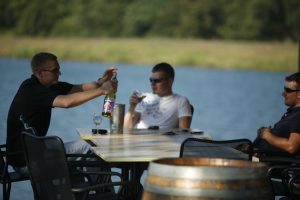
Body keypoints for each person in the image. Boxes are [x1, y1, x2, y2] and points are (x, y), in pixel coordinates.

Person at [6, 52, 117, 174]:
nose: (59, 73)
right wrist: (102, 90)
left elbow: (80, 88)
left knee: (83, 154)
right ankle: (102, 191)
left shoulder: (48, 86)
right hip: (28, 161)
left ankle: (84, 192)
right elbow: (66, 102)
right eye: (55, 70)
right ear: (40, 73)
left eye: (58, 69)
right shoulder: (32, 90)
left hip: (36, 154)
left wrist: (101, 81)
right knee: (90, 146)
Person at [124, 62, 192, 130]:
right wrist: (132, 107)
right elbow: (126, 129)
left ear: (170, 81)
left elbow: (183, 133)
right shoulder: (143, 98)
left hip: (163, 140)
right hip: (140, 139)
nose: (152, 84)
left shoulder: (181, 101)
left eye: (157, 81)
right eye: (151, 80)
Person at [253, 72, 300, 156]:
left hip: (265, 162)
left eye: (288, 90)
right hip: (256, 154)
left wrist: (267, 135)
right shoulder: (291, 113)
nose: (283, 94)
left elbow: (291, 146)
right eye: (284, 89)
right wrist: (265, 134)